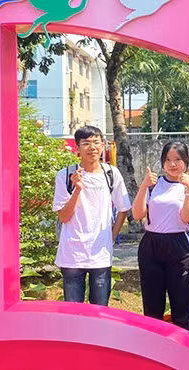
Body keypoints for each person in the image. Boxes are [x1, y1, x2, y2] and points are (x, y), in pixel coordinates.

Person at [52, 126, 131, 306]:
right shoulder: (65, 175)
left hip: (100, 254)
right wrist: (77, 189)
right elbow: (64, 217)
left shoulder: (111, 174)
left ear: (103, 146)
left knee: (100, 310)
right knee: (73, 311)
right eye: (86, 143)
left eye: (96, 142)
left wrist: (111, 236)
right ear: (77, 149)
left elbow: (123, 208)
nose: (92, 147)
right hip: (72, 254)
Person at [132, 141, 189, 331]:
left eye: (177, 159)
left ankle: (183, 350)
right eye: (168, 160)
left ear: (185, 162)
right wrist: (144, 186)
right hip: (151, 246)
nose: (172, 164)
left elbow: (187, 217)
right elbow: (137, 214)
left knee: (181, 302)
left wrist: (188, 190)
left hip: (178, 246)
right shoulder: (154, 185)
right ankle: (154, 349)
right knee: (152, 305)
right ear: (162, 162)